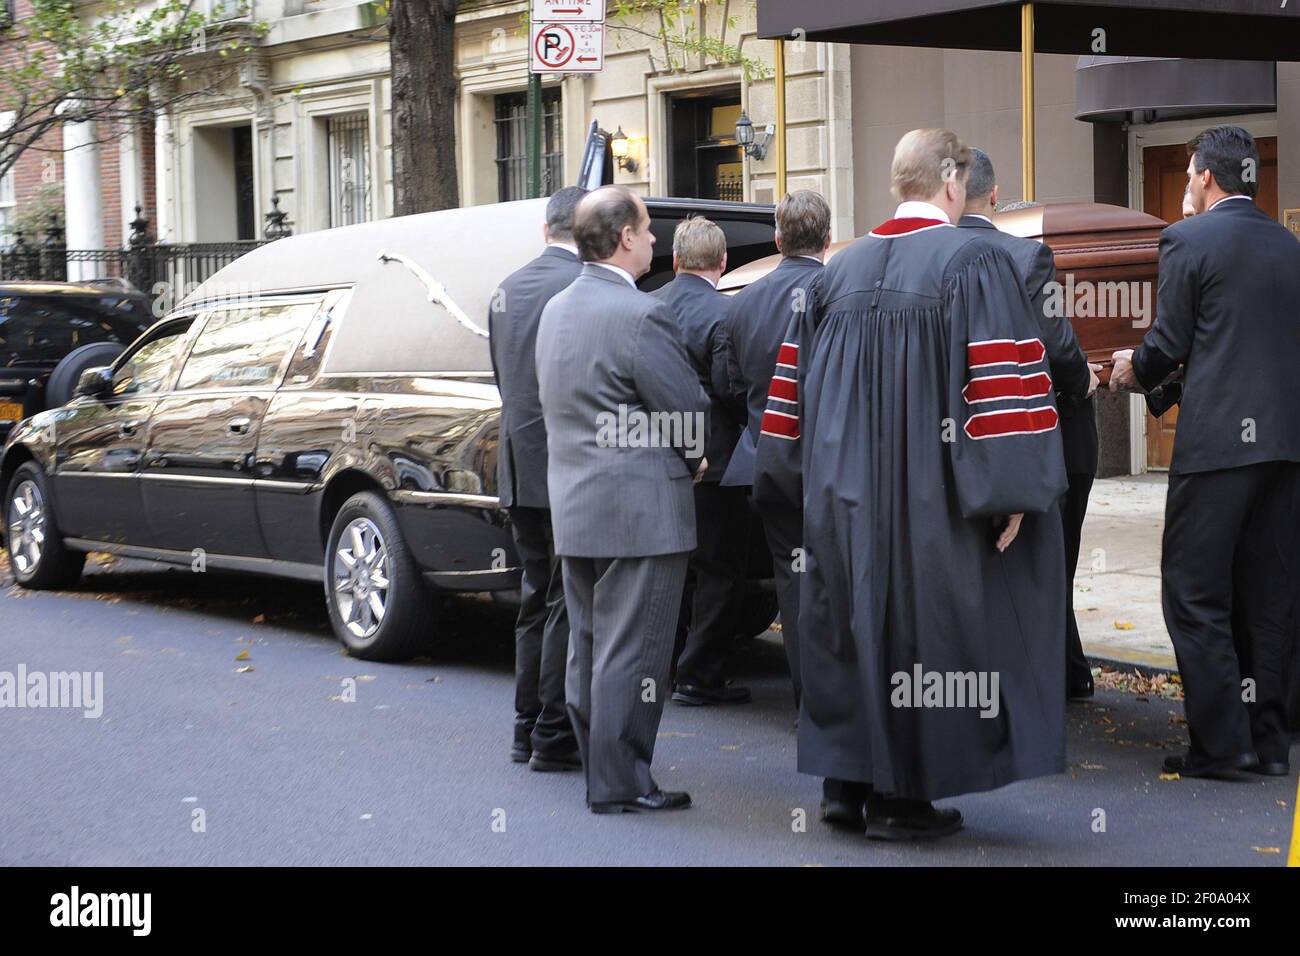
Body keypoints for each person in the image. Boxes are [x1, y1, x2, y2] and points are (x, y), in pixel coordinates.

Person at [760, 128, 1070, 840]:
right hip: (932, 498)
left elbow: (788, 408)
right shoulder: (976, 262)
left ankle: (846, 785)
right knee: (921, 636)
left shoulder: (834, 272)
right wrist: (1012, 491)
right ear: (954, 181)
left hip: (840, 499)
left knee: (852, 627)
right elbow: (1002, 383)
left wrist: (797, 491)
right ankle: (901, 802)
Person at [1111, 125, 1300, 779]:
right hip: (1285, 450)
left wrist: (1136, 371)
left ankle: (1222, 745)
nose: (1188, 185)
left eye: (1191, 174)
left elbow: (1170, 341)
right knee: (1269, 596)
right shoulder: (1289, 246)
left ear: (1205, 177)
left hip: (1218, 447)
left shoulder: (1187, 239)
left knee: (1193, 592)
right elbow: (1236, 345)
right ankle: (1269, 743)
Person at [535, 185, 709, 813]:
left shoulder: (555, 309)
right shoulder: (642, 314)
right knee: (635, 652)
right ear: (626, 238)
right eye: (648, 228)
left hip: (577, 504)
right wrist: (696, 454)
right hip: (642, 511)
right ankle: (621, 780)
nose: (657, 238)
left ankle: (603, 771)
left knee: (589, 645)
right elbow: (685, 408)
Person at [957, 150, 1102, 701]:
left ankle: (1061, 667)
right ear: (995, 197)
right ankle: (1048, 675)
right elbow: (1055, 342)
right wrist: (1083, 378)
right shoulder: (1024, 256)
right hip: (1038, 430)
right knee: (1050, 557)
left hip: (961, 433)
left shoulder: (926, 255)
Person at [489, 185, 585, 771]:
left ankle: (527, 726)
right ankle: (551, 728)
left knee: (534, 595)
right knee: (564, 602)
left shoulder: (506, 288)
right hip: (564, 465)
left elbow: (506, 380)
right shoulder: (578, 286)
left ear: (545, 229)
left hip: (518, 462)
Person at [721, 190, 831, 705]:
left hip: (769, 461)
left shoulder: (742, 303)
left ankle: (811, 699)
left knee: (794, 581)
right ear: (827, 239)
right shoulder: (839, 291)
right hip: (829, 461)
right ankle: (839, 701)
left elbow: (733, 385)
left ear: (778, 239)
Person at [652, 217, 750, 706]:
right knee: (718, 570)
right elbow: (731, 388)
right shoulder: (724, 313)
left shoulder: (649, 307)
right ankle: (698, 674)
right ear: (723, 262)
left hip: (659, 457)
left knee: (672, 569)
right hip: (717, 458)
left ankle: (664, 665)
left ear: (674, 260)